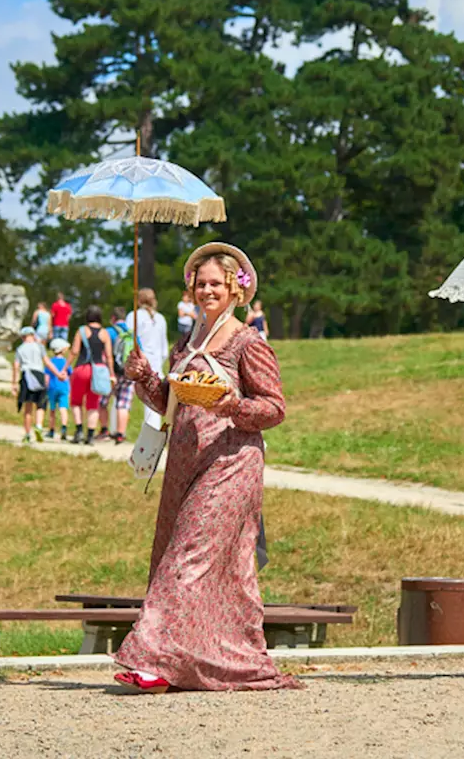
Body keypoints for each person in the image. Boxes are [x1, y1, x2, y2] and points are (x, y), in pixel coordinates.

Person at [113, 242, 297, 693]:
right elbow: (168, 403)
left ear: (236, 288)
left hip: (231, 462)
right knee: (213, 565)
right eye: (201, 282)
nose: (207, 289)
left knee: (188, 558)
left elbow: (274, 407)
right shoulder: (187, 342)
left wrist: (233, 404)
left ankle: (152, 659)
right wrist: (144, 377)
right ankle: (201, 661)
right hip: (184, 461)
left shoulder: (247, 342)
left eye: (216, 282)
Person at [66, 306, 114, 446]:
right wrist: (111, 373)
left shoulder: (81, 331)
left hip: (81, 369)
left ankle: (79, 431)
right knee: (93, 404)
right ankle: (90, 435)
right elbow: (109, 356)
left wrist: (65, 368)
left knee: (76, 401)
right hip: (98, 370)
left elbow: (74, 351)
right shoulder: (105, 333)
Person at [133, 287, 170, 427]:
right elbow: (164, 346)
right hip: (156, 363)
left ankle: (116, 430)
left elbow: (130, 339)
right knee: (153, 404)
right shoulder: (160, 318)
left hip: (138, 363)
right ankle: (153, 436)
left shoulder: (135, 316)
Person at [12, 326, 47, 444]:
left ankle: (27, 435)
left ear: (23, 337)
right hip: (39, 375)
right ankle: (39, 426)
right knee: (40, 404)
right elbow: (46, 361)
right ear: (33, 335)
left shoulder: (20, 349)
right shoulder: (39, 346)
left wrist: (14, 383)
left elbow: (16, 366)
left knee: (28, 408)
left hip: (26, 376)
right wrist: (57, 374)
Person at [107, 307, 135, 445]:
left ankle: (104, 430)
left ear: (113, 318)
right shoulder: (132, 334)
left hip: (113, 372)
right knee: (123, 404)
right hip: (128, 373)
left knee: (103, 401)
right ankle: (120, 434)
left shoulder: (109, 332)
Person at [44, 337, 71, 440]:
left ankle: (51, 430)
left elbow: (46, 377)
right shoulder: (66, 362)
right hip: (64, 387)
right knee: (63, 408)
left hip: (52, 387)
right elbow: (69, 375)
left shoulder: (50, 362)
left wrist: (45, 387)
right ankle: (64, 427)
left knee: (52, 409)